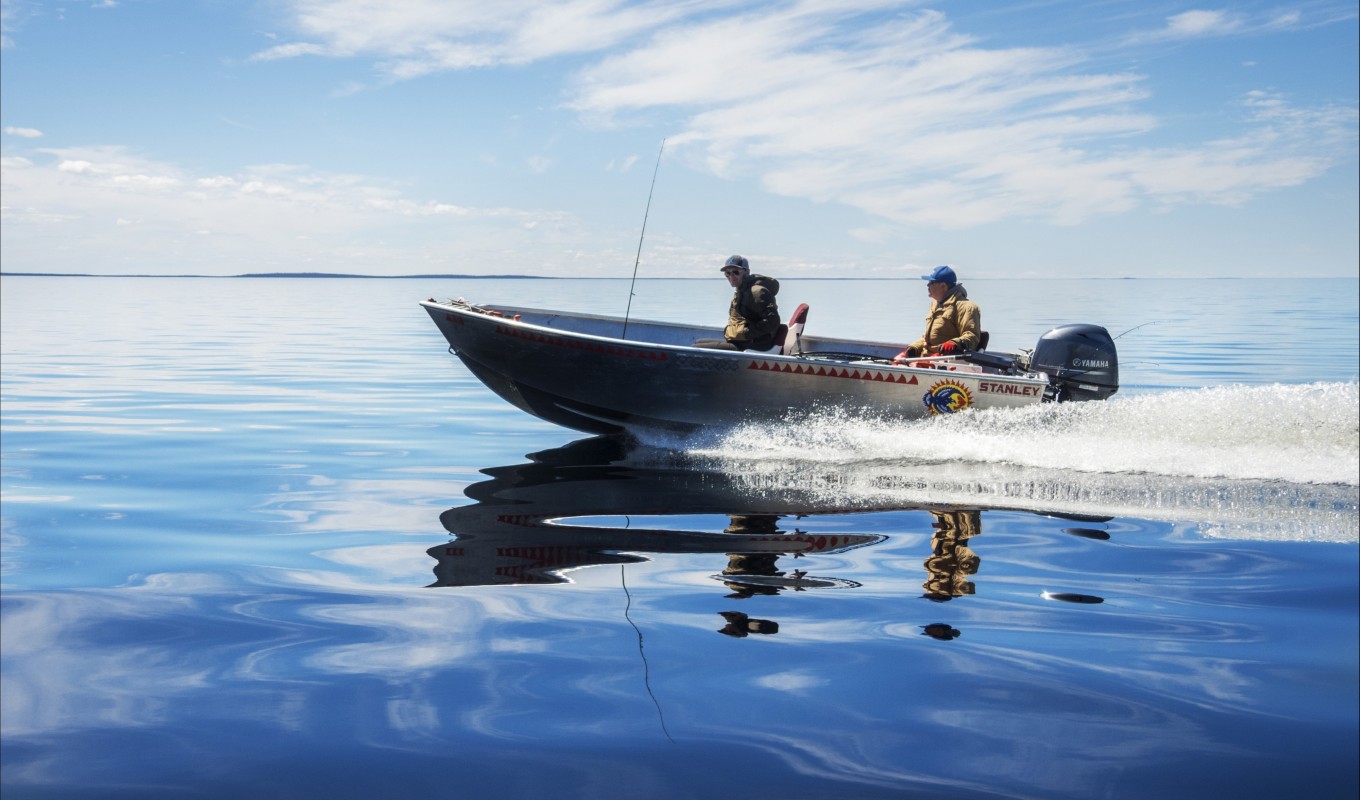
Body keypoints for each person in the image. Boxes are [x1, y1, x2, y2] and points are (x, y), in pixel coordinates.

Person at [693, 255, 782, 351]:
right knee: (698, 342)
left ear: (746, 272)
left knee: (695, 349)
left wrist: (745, 333)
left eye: (735, 272)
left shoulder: (756, 292)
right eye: (727, 273)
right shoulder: (741, 290)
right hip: (742, 342)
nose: (731, 276)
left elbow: (773, 321)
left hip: (755, 345)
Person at [896, 265, 981, 360]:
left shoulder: (966, 307)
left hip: (945, 361)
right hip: (925, 358)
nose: (927, 285)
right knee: (896, 361)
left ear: (943, 286)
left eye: (931, 282)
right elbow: (928, 338)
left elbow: (972, 336)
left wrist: (954, 343)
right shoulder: (935, 304)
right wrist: (914, 348)